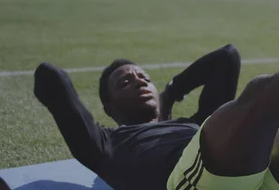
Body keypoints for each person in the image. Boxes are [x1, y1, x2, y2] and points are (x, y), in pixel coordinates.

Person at [33, 44, 240, 190]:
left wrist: (171, 94)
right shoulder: (106, 144)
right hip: (205, 179)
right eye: (125, 82)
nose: (140, 82)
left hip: (242, 170)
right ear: (109, 107)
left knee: (262, 91)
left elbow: (227, 57)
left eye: (145, 79)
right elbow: (49, 76)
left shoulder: (195, 123)